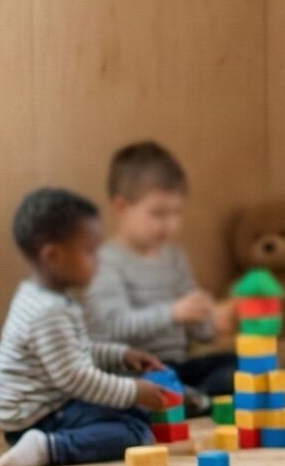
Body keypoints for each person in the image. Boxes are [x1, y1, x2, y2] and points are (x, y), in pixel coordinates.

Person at [0, 187, 182, 466]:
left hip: (51, 406)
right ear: (53, 256)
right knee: (134, 432)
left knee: (134, 414)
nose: (98, 261)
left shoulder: (45, 296)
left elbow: (74, 352)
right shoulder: (49, 311)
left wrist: (120, 355)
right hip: (39, 416)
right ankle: (49, 446)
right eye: (90, 251)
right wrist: (132, 390)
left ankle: (53, 439)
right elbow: (77, 378)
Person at [85, 141, 233, 410]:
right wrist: (173, 313)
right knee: (130, 390)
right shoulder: (106, 261)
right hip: (131, 372)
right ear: (121, 207)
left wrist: (211, 321)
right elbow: (113, 326)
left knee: (236, 367)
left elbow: (194, 329)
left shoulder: (174, 257)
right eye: (158, 213)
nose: (170, 223)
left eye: (176, 212)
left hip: (176, 365)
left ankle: (185, 398)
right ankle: (183, 399)